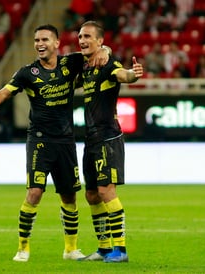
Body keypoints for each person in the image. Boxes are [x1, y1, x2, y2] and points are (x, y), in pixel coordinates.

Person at [0, 24, 110, 262]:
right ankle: (23, 247)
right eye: (36, 40)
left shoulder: (71, 64)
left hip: (66, 142)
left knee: (70, 197)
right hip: (39, 141)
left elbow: (97, 52)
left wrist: (107, 50)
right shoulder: (27, 72)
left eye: (44, 39)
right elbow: (6, 91)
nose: (39, 44)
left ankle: (70, 249)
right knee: (34, 193)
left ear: (56, 43)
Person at [76, 20, 143, 263]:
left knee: (106, 191)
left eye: (88, 37)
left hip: (107, 137)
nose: (82, 40)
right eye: (80, 36)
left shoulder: (107, 64)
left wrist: (132, 75)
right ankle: (104, 248)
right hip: (90, 139)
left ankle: (121, 249)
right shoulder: (84, 66)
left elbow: (122, 74)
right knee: (92, 194)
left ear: (100, 41)